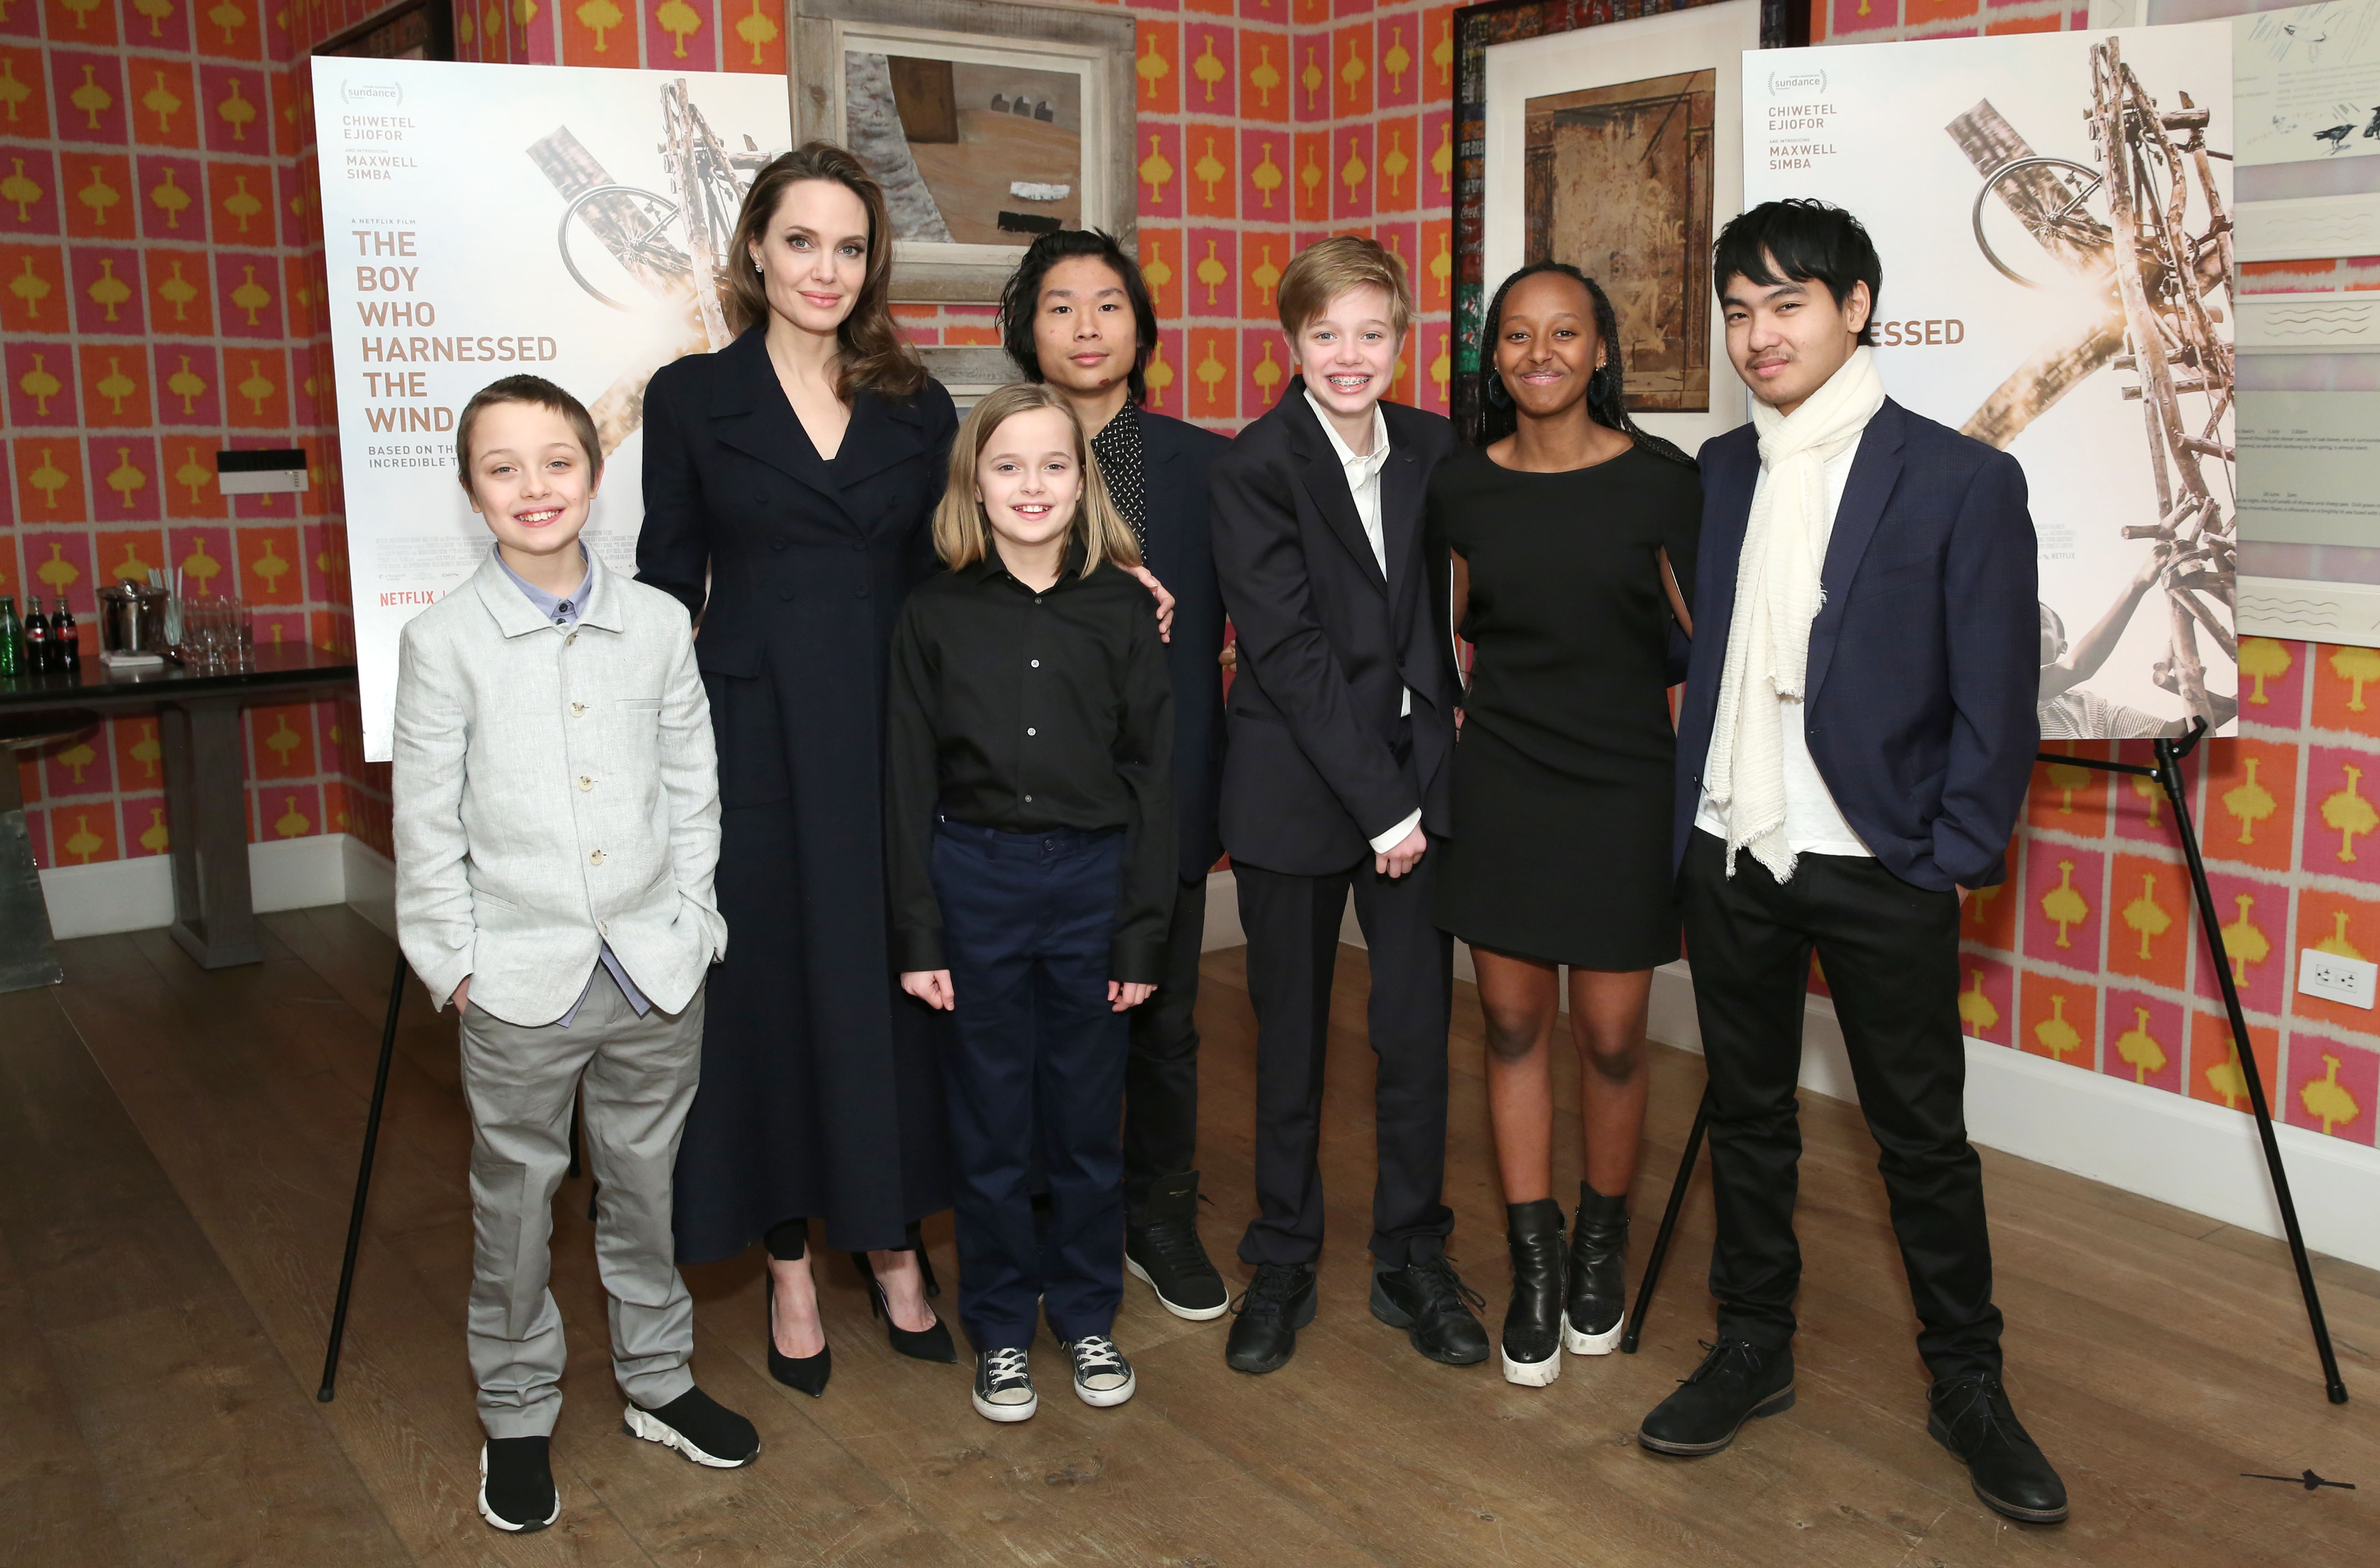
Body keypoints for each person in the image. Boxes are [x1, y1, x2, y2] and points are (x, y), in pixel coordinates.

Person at [1650, 199, 2068, 1527]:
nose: (1758, 333)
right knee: (1752, 1115)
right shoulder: (1720, 470)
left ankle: (1970, 1384)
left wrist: (1947, 857)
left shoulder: (1959, 478)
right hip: (1734, 843)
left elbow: (2000, 701)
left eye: (1786, 303)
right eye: (1738, 309)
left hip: (1881, 859)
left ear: (1858, 306)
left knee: (1921, 1142)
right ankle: (1753, 1344)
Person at [393, 375, 758, 1534]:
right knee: (516, 1199)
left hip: (655, 965)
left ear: (596, 479)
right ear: (471, 492)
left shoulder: (655, 621)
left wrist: (693, 918)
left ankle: (656, 1378)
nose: (533, 487)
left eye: (556, 462)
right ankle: (514, 1408)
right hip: (518, 978)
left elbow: (695, 783)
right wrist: (454, 961)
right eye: (503, 468)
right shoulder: (443, 640)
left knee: (646, 1184)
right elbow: (426, 823)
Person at [637, 143, 957, 1393]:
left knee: (893, 996)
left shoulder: (916, 403)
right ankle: (784, 1267)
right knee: (764, 1001)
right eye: (802, 241)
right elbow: (669, 582)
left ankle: (891, 1246)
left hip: (888, 739)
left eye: (850, 246)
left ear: (870, 265)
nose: (826, 267)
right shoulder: (689, 399)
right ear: (757, 252)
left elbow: (952, 582)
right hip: (749, 739)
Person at [1209, 236, 1484, 1375]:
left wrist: (1439, 753)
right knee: (1290, 1043)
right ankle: (1281, 1257)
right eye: (1325, 334)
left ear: (1403, 335)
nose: (1349, 355)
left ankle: (1411, 1253)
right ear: (1291, 344)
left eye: (1372, 331)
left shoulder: (1434, 445)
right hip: (1300, 790)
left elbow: (1458, 600)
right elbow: (1287, 651)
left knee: (1416, 1035)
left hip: (1417, 781)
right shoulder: (1254, 465)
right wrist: (1387, 810)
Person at [1428, 262, 1701, 1386]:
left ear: (1600, 352)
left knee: (1612, 1035)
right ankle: (1536, 1263)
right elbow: (1443, 640)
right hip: (1505, 782)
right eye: (1515, 337)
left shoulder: (1662, 483)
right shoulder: (1460, 488)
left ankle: (1604, 1240)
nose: (1538, 354)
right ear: (1493, 357)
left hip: (1624, 787)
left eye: (1563, 334)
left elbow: (1700, 656)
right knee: (1507, 1024)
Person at [887, 382, 1175, 1423]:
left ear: (1082, 479)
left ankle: (1087, 1313)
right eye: (1007, 465)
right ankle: (1003, 1328)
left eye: (1054, 464)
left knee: (1087, 1124)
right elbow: (907, 782)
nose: (1032, 485)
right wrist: (920, 928)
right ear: (975, 479)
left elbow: (1153, 777)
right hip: (974, 882)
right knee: (993, 1120)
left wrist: (1142, 928)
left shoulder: (1122, 607)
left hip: (1092, 882)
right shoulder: (933, 610)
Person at [997, 229, 1232, 1321]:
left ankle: (1161, 1212)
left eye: (1107, 305)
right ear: (1026, 330)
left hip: (1161, 789)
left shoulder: (1205, 464)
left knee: (1167, 1020)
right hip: (1027, 800)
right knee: (1043, 1021)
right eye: (1059, 306)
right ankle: (1048, 1217)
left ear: (1141, 328)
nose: (1086, 327)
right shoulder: (993, 457)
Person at [2038, 548, 2237, 738]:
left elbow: (2173, 734)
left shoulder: (2087, 707)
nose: (2019, 630)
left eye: (2037, 621)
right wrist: (2138, 584)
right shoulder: (2009, 685)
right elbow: (2078, 667)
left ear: (2062, 646)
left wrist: (2255, 697)